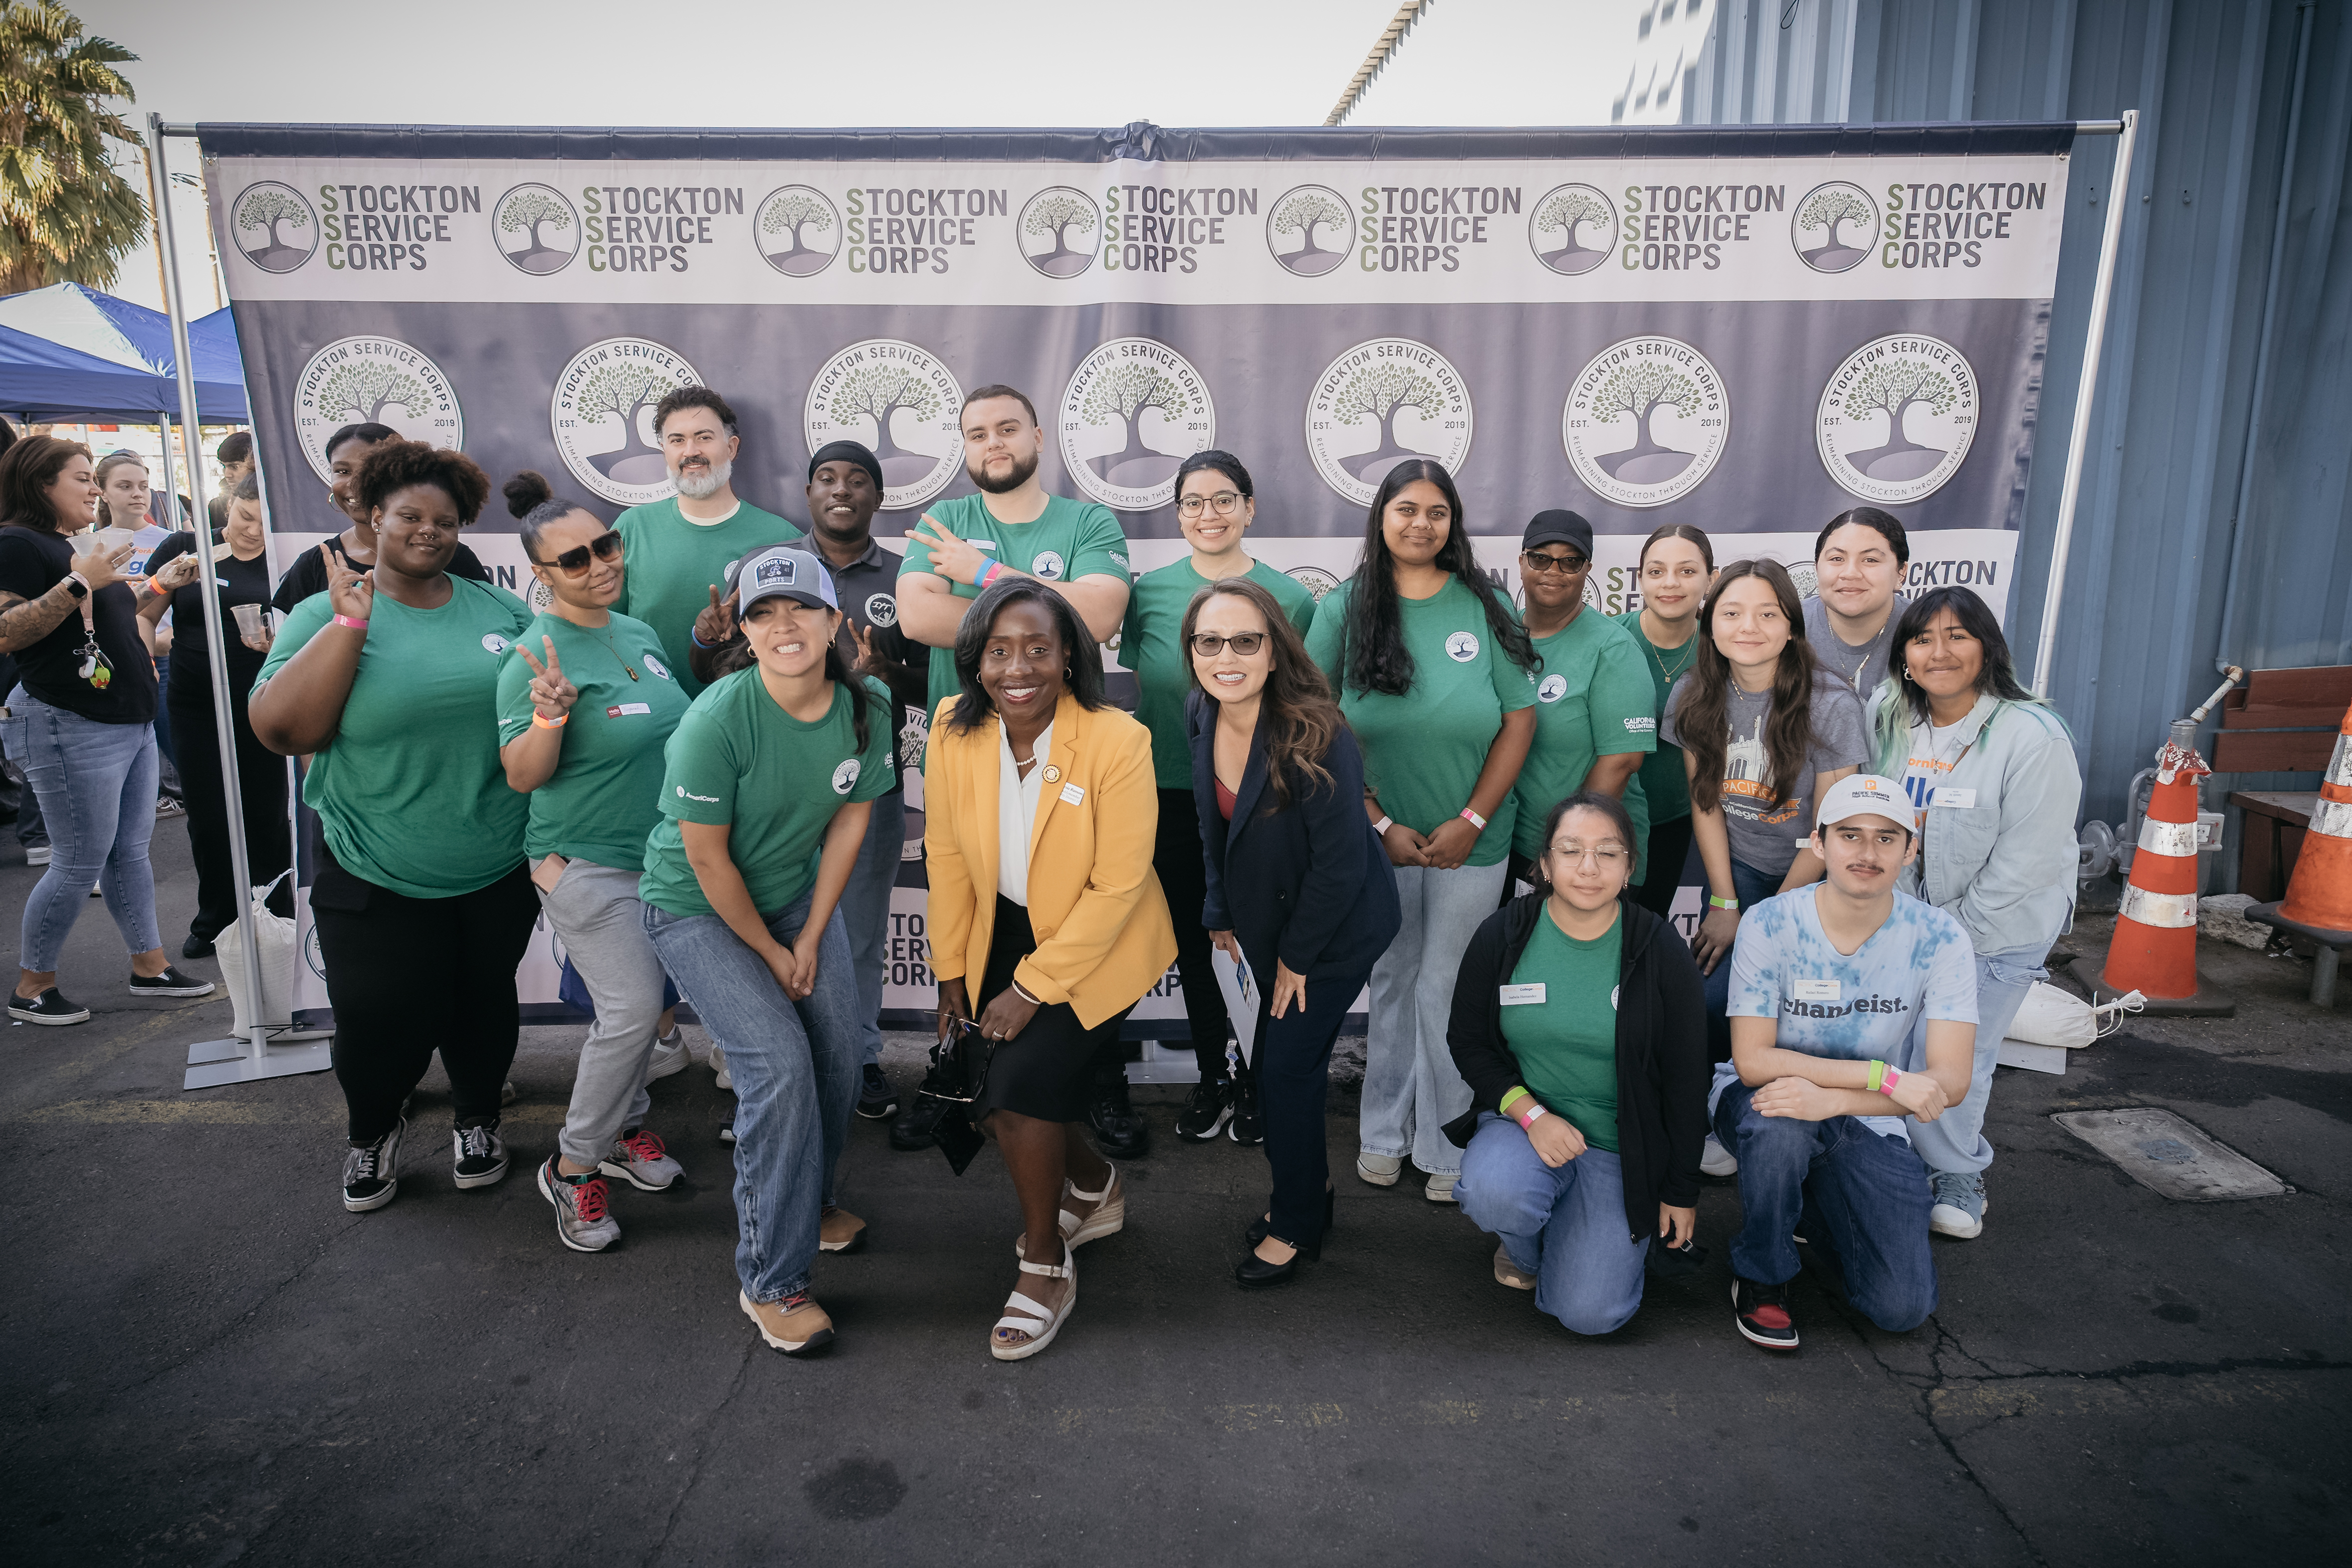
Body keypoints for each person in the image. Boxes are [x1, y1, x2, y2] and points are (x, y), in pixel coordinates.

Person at [248, 442, 536, 1213]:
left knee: (482, 1005)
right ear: (374, 516)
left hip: (495, 862)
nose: (428, 530)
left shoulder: (502, 611)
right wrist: (350, 623)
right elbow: (282, 730)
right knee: (378, 1019)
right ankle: (372, 1130)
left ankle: (477, 1119)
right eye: (410, 515)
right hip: (374, 865)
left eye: (446, 520)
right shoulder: (324, 611)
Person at [639, 543, 894, 1353]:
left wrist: (811, 934)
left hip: (790, 897)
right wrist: (775, 954)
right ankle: (772, 1278)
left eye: (800, 608)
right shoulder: (715, 718)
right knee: (777, 1065)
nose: (784, 625)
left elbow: (852, 815)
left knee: (839, 1053)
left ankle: (806, 1203)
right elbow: (707, 860)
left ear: (834, 620)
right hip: (694, 906)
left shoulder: (867, 703)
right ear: (744, 632)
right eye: (763, 612)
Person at [922, 578, 1176, 1358]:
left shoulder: (1116, 740)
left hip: (1096, 941)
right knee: (987, 1091)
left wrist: (1030, 987)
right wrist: (952, 972)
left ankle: (1044, 1262)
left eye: (1038, 647)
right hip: (999, 929)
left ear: (1068, 656)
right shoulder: (952, 727)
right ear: (976, 660)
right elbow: (946, 854)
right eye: (998, 650)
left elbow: (1118, 887)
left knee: (1019, 1091)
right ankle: (1093, 1184)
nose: (1017, 667)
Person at [896, 384, 1147, 1160]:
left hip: (1067, 750)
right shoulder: (941, 520)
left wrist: (981, 573)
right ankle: (960, 1073)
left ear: (1037, 434)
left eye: (1007, 427)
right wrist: (1037, 609)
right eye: (976, 433)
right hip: (973, 749)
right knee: (982, 912)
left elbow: (1096, 618)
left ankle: (1099, 1081)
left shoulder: (1087, 521)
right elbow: (918, 617)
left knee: (1081, 914)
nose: (993, 442)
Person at [1303, 459, 1536, 1204]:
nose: (1420, 524)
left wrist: (1471, 820)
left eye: (1437, 512)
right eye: (1406, 508)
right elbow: (1313, 719)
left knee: (1449, 985)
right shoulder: (1344, 607)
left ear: (1452, 524)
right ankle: (1382, 1133)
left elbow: (1518, 719)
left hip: (1475, 840)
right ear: (1381, 517)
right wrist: (1376, 820)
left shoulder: (1485, 603)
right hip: (1380, 838)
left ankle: (1446, 1139)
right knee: (1394, 976)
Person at [693, 441, 926, 1125]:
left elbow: (937, 682)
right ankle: (767, 1066)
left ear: (878, 497)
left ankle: (859, 1056)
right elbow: (716, 673)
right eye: (827, 477)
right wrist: (705, 641)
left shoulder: (908, 577)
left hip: (866, 787)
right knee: (765, 928)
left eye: (857, 479)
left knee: (858, 934)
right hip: (770, 789)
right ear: (808, 493)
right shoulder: (763, 567)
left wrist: (888, 674)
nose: (841, 488)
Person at [493, 472, 696, 1253]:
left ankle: (621, 1127)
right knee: (634, 1010)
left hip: (664, 862)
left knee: (643, 1008)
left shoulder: (636, 631)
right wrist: (548, 716)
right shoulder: (531, 657)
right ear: (541, 575)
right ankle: (573, 1163)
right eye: (574, 560)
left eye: (604, 545)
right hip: (584, 867)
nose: (599, 564)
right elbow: (521, 774)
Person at [1713, 774, 1977, 1349]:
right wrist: (1882, 1076)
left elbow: (1950, 1079)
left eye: (1886, 837)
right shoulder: (1771, 922)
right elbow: (1753, 1060)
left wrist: (1832, 1099)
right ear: (1818, 842)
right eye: (1849, 834)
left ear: (1910, 849)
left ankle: (1807, 1206)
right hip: (1764, 1100)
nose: (1866, 852)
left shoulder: (1939, 937)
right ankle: (1762, 1273)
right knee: (1781, 1121)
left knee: (1900, 1306)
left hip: (1866, 1119)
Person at [1185, 576, 1393, 1284]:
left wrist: (1295, 959)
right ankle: (1309, 1193)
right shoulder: (1200, 709)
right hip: (1268, 923)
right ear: (1192, 652)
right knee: (1279, 1068)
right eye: (1209, 641)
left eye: (1245, 641)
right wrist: (1218, 913)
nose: (1226, 657)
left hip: (1336, 929)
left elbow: (1340, 867)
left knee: (1283, 1072)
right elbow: (1211, 826)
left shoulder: (1317, 732)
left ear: (1274, 651)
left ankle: (1296, 1220)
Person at [1448, 791, 1709, 1331]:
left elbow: (1687, 1078)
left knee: (1592, 1315)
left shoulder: (1659, 948)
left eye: (1607, 852)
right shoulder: (1505, 933)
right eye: (1570, 850)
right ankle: (1526, 1246)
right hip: (1525, 1127)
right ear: (1544, 864)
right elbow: (1467, 1040)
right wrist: (1531, 1115)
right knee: (1496, 1193)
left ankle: (1576, 1232)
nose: (1588, 867)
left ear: (1629, 867)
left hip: (1619, 1145)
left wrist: (1680, 1190)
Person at [1872, 585, 2081, 1241]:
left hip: (1997, 929)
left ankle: (1956, 1173)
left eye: (1956, 635)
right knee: (1890, 1043)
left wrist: (1943, 944)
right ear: (1904, 657)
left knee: (1954, 1051)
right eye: (1921, 638)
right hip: (1902, 921)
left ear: (1986, 648)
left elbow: (2025, 861)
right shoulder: (1887, 714)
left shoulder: (2032, 736)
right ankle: (1889, 1163)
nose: (1938, 652)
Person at [1125, 450, 1317, 1146]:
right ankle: (1214, 1076)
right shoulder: (1147, 594)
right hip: (1171, 796)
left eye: (1223, 499)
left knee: (1263, 945)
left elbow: (1301, 700)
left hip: (1261, 800)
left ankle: (1262, 1080)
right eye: (1192, 502)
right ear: (1177, 513)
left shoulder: (1290, 598)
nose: (1208, 514)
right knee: (1197, 942)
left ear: (1249, 507)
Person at [0, 436, 214, 1024]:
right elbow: (6, 631)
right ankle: (33, 985)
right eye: (82, 478)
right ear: (41, 484)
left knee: (129, 853)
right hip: (70, 722)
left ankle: (150, 966)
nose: (94, 489)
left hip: (125, 718)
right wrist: (79, 582)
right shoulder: (16, 542)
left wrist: (159, 584)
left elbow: (110, 618)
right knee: (77, 861)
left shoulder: (68, 543)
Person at [1664, 560, 1869, 1067]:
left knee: (1795, 1007)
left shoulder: (1830, 702)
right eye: (1731, 613)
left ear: (1791, 627)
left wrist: (1770, 920)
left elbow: (1830, 829)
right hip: (1740, 870)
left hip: (1818, 877)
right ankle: (1716, 1099)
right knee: (1709, 1000)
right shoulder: (1692, 693)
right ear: (1710, 624)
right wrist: (1724, 903)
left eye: (1767, 614)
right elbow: (1705, 803)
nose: (1748, 628)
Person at [137, 472, 292, 958]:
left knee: (266, 812)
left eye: (265, 523)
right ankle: (217, 919)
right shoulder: (187, 547)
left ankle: (276, 914)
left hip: (263, 699)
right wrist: (144, 661)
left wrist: (279, 641)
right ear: (229, 505)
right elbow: (143, 611)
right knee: (207, 816)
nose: (253, 531)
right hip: (194, 703)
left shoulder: (285, 559)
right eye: (245, 517)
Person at [1506, 509, 1654, 886]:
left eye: (1570, 561)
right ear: (1522, 562)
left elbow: (1622, 761)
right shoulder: (1501, 635)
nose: (1553, 571)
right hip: (1507, 842)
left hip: (1589, 856)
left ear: (1587, 569)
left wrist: (1564, 849)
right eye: (1541, 558)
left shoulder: (1613, 647)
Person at [270, 423, 493, 612]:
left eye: (367, 471)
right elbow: (297, 643)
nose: (354, 484)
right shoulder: (315, 564)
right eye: (342, 471)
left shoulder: (446, 555)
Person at [1615, 524, 1713, 917]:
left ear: (1712, 579)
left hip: (1676, 820)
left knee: (1644, 930)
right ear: (1640, 578)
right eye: (1656, 571)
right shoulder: (1609, 638)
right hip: (1605, 809)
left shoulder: (1724, 647)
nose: (1670, 583)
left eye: (1687, 571)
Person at [1805, 508, 1912, 699]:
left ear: (1901, 573)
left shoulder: (1927, 628)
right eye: (1837, 559)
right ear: (1817, 569)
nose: (1850, 573)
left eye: (1870, 560)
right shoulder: (1787, 626)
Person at [207, 432, 253, 532]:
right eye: (224, 466)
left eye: (234, 467)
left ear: (253, 465)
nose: (227, 474)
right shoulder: (216, 507)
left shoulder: (272, 502)